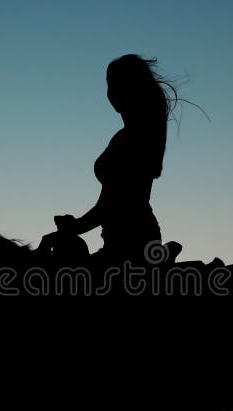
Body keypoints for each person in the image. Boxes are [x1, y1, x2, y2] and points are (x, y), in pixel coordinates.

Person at [50, 54, 178, 266]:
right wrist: (76, 225)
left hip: (130, 244)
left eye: (114, 83)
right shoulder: (134, 136)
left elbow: (114, 203)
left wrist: (75, 227)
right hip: (126, 239)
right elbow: (110, 202)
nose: (109, 92)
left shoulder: (131, 140)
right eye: (108, 84)